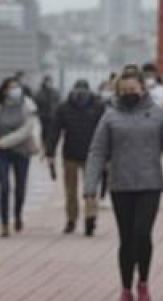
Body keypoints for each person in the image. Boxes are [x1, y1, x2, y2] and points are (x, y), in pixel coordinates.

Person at [84, 66, 163, 301]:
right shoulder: (110, 115)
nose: (129, 92)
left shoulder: (159, 114)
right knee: (126, 238)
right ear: (118, 91)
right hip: (121, 185)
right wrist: (90, 186)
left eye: (134, 89)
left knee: (142, 233)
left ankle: (144, 282)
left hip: (150, 185)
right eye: (125, 89)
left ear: (143, 89)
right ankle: (126, 287)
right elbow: (97, 152)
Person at [0, 77, 39, 238]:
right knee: (4, 186)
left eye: (17, 87)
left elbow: (27, 130)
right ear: (4, 90)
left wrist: (3, 142)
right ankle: (4, 223)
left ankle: (17, 215)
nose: (14, 91)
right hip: (1, 153)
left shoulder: (27, 105)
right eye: (11, 88)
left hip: (22, 151)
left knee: (20, 187)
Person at [47, 79, 106, 236]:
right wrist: (50, 152)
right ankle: (71, 219)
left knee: (90, 188)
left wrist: (108, 153)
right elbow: (54, 131)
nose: (81, 95)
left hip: (92, 154)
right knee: (71, 191)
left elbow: (106, 132)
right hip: (70, 155)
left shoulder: (98, 107)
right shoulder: (64, 108)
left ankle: (90, 217)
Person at [34, 75, 60, 152]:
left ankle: (49, 145)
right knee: (44, 131)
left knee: (52, 131)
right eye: (47, 81)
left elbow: (58, 102)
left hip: (53, 115)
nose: (49, 83)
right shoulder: (39, 93)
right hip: (43, 116)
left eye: (50, 81)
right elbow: (36, 103)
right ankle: (44, 144)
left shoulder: (55, 92)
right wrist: (39, 112)